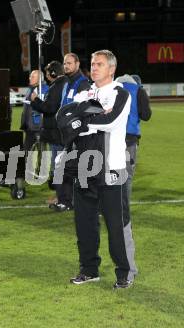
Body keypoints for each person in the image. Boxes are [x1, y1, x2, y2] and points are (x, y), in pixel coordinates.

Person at [70, 50, 137, 289]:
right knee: (85, 223)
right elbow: (68, 123)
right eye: (92, 64)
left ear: (111, 69)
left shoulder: (121, 93)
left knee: (115, 225)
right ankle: (89, 270)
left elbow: (110, 121)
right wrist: (87, 120)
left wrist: (83, 121)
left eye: (99, 64)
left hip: (111, 167)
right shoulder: (84, 94)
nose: (94, 67)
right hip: (84, 168)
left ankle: (125, 273)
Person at [48, 53, 91, 211]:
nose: (66, 66)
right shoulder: (67, 82)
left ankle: (72, 201)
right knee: (62, 167)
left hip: (77, 136)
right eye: (64, 63)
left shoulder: (83, 84)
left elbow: (82, 111)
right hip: (66, 134)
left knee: (77, 170)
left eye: (69, 63)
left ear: (77, 64)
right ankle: (64, 201)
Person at [30, 61, 69, 210]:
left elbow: (49, 108)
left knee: (58, 167)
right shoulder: (64, 83)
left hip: (56, 132)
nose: (46, 77)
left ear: (53, 73)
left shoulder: (57, 86)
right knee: (60, 166)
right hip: (60, 131)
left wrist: (35, 100)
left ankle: (63, 199)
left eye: (47, 73)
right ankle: (62, 197)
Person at [115, 74, 152, 199]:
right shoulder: (138, 90)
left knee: (108, 173)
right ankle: (122, 211)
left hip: (109, 136)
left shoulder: (112, 86)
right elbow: (146, 115)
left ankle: (102, 208)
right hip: (129, 138)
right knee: (126, 174)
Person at [20, 70, 48, 151]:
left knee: (42, 154)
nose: (30, 78)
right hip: (29, 127)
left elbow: (45, 107)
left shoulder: (45, 90)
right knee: (26, 152)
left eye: (33, 77)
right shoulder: (30, 89)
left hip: (38, 128)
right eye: (30, 76)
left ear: (39, 79)